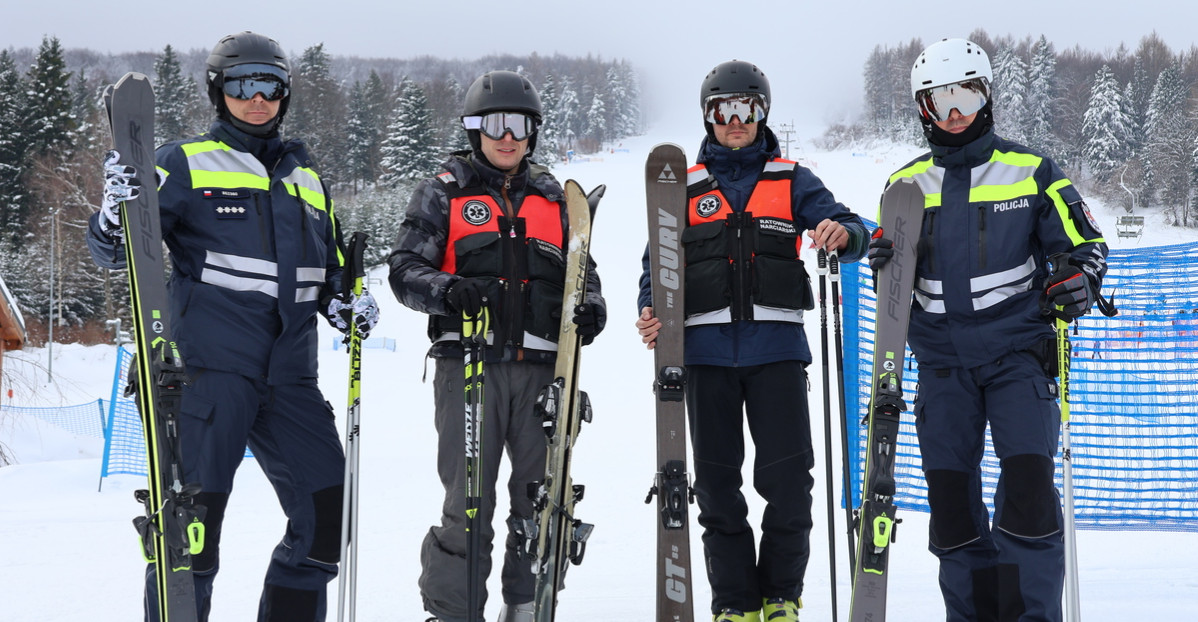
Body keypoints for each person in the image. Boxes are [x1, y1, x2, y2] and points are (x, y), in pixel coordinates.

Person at [87, 31, 379, 622]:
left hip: (291, 377)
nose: (257, 98)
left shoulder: (307, 180)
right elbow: (118, 252)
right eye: (243, 85)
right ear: (218, 92)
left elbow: (324, 274)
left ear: (285, 94)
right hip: (207, 375)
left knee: (327, 517)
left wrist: (345, 304)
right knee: (189, 538)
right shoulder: (185, 161)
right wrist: (111, 217)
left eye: (270, 85)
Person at [867, 38, 1109, 621]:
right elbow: (896, 291)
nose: (956, 112)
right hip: (942, 363)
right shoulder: (905, 187)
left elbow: (1086, 247)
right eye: (942, 98)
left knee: (1028, 493)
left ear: (986, 96)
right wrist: (884, 264)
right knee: (951, 506)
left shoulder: (1030, 171)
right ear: (923, 107)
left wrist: (1078, 281)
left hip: (1017, 354)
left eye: (967, 95)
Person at [636, 60, 868, 622]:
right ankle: (735, 604)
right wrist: (650, 308)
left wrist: (845, 233)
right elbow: (656, 266)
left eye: (746, 109)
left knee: (789, 482)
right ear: (708, 117)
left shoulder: (792, 180)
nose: (734, 121)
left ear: (762, 113)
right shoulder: (682, 187)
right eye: (723, 110)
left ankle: (781, 597)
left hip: (777, 355)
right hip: (705, 357)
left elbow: (848, 225)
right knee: (717, 489)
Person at [387, 70, 607, 622]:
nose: (507, 136)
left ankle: (528, 606)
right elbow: (403, 271)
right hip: (469, 369)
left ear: (532, 132)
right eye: (494, 124)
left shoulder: (554, 197)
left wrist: (592, 307)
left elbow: (584, 273)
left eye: (519, 125)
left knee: (539, 499)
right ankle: (454, 613)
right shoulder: (445, 190)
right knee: (468, 505)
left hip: (540, 370)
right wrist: (447, 289)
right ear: (474, 129)